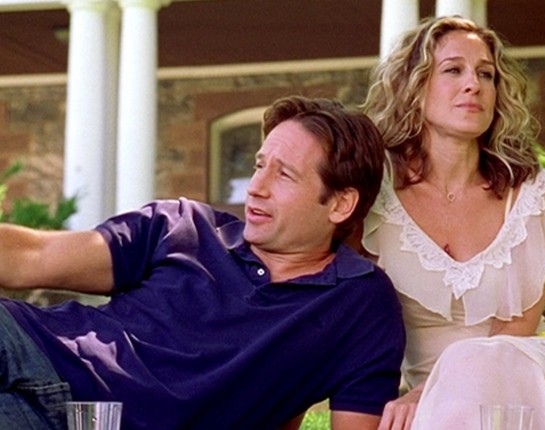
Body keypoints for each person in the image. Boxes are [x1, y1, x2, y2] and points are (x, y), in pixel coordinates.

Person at [0, 96, 406, 430]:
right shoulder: (184, 225)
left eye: (283, 175)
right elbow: (33, 257)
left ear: (340, 204)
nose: (255, 188)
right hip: (28, 345)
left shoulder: (359, 303)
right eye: (259, 166)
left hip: (78, 419)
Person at [361, 16, 545, 430]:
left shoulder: (530, 192)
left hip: (523, 375)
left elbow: (517, 326)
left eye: (485, 74)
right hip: (441, 408)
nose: (474, 84)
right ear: (414, 87)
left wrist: (424, 393)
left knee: (474, 358)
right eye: (454, 70)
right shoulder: (375, 194)